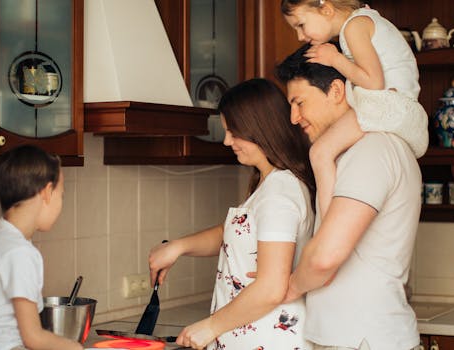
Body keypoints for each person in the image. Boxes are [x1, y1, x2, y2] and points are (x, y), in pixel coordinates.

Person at [147, 78, 315, 350]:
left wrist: (210, 327)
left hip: (269, 339)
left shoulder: (279, 192)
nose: (227, 141)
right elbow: (240, 232)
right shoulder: (269, 184)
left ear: (259, 128)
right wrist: (178, 247)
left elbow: (272, 287)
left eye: (233, 132)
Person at [275, 43, 421, 350]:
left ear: (337, 91)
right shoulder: (347, 153)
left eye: (299, 102)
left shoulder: (373, 149)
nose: (293, 117)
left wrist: (288, 286)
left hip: (364, 340)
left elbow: (326, 258)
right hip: (354, 338)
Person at [281, 0, 428, 218]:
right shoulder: (364, 20)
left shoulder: (354, 27)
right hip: (400, 108)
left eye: (301, 25)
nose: (300, 36)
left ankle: (328, 226)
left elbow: (373, 82)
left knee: (320, 153)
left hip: (386, 105)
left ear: (327, 9)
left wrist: (335, 59)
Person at [0, 145, 82, 350]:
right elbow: (33, 337)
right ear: (47, 193)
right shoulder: (19, 251)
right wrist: (76, 348)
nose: (61, 203)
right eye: (62, 195)